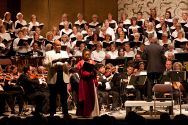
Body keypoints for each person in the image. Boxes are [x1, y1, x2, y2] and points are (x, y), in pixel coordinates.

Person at [43, 40, 71, 118]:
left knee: (64, 96)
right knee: (53, 96)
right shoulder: (49, 53)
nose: (59, 47)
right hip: (53, 76)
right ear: (54, 46)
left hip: (63, 75)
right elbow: (44, 63)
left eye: (60, 45)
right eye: (57, 45)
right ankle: (52, 113)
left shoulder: (64, 53)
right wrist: (53, 63)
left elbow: (68, 63)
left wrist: (66, 64)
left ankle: (65, 113)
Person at [76, 49, 99, 117]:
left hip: (91, 81)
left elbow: (95, 71)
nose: (87, 56)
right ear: (83, 55)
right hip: (84, 82)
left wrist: (93, 71)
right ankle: (84, 113)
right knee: (85, 97)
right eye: (86, 54)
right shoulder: (80, 62)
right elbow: (80, 72)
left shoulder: (92, 62)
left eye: (88, 54)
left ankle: (92, 112)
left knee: (91, 96)